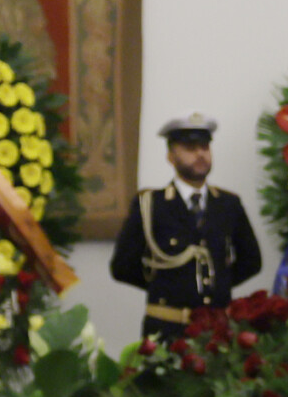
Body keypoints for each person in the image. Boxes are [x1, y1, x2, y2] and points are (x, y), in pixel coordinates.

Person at [109, 113, 261, 344]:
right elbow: (122, 267)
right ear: (171, 156)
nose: (200, 154)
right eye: (190, 147)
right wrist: (165, 284)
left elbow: (252, 261)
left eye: (205, 147)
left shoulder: (228, 204)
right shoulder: (151, 204)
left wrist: (218, 283)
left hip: (216, 330)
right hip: (166, 329)